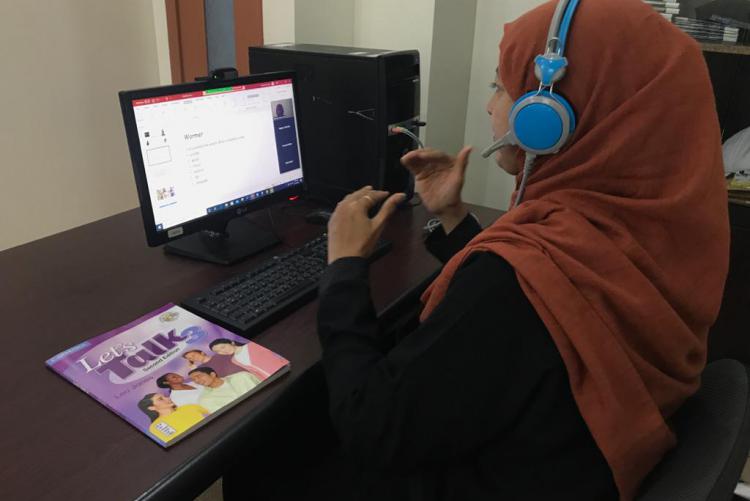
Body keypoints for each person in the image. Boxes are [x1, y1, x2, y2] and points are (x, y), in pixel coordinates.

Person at [313, 1, 729, 500]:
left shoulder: (518, 282)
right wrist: (453, 219)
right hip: (567, 463)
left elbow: (372, 425)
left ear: (551, 115)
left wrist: (343, 268)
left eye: (500, 87)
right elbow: (542, 312)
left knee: (281, 443)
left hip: (492, 478)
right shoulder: (651, 231)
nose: (490, 106)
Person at [137, 393, 209, 444]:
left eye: (165, 396)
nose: (168, 398)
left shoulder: (190, 407)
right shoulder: (157, 426)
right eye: (160, 399)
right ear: (152, 407)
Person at [189, 366, 261, 413]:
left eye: (198, 376)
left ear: (212, 374)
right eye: (194, 379)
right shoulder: (205, 400)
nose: (197, 380)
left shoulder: (242, 376)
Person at [209, 338, 287, 380]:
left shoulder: (252, 345)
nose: (223, 351)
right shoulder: (234, 360)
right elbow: (254, 371)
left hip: (283, 368)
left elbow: (275, 354)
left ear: (231, 343)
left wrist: (285, 363)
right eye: (218, 351)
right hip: (272, 378)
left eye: (223, 347)